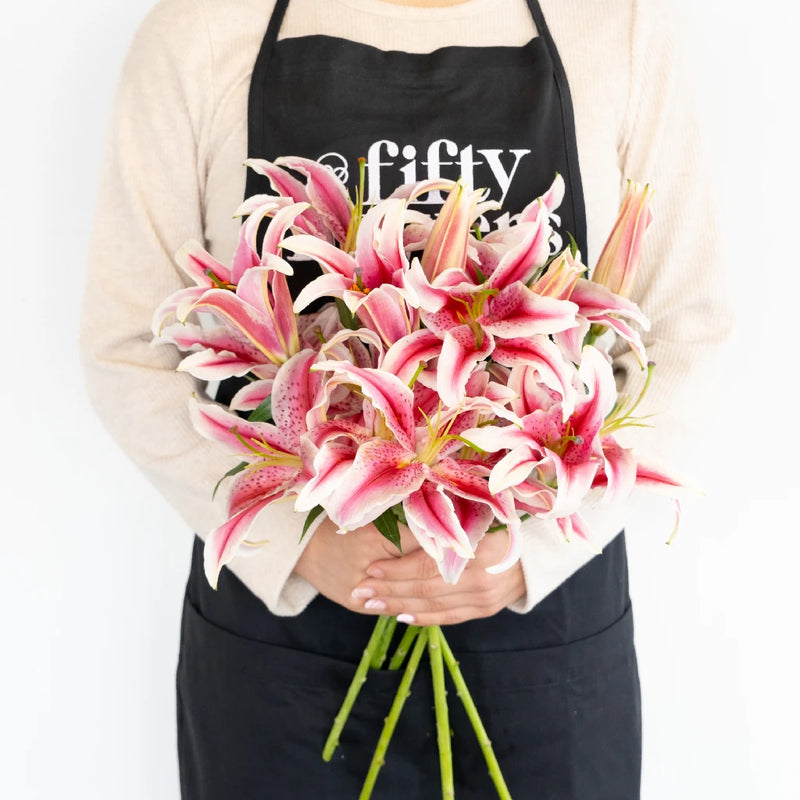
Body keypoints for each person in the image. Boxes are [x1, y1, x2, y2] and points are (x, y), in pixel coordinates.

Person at [80, 0, 731, 797]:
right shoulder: (203, 29)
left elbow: (686, 336)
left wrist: (531, 555)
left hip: (539, 631)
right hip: (286, 642)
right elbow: (124, 343)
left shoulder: (619, 28)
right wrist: (296, 543)